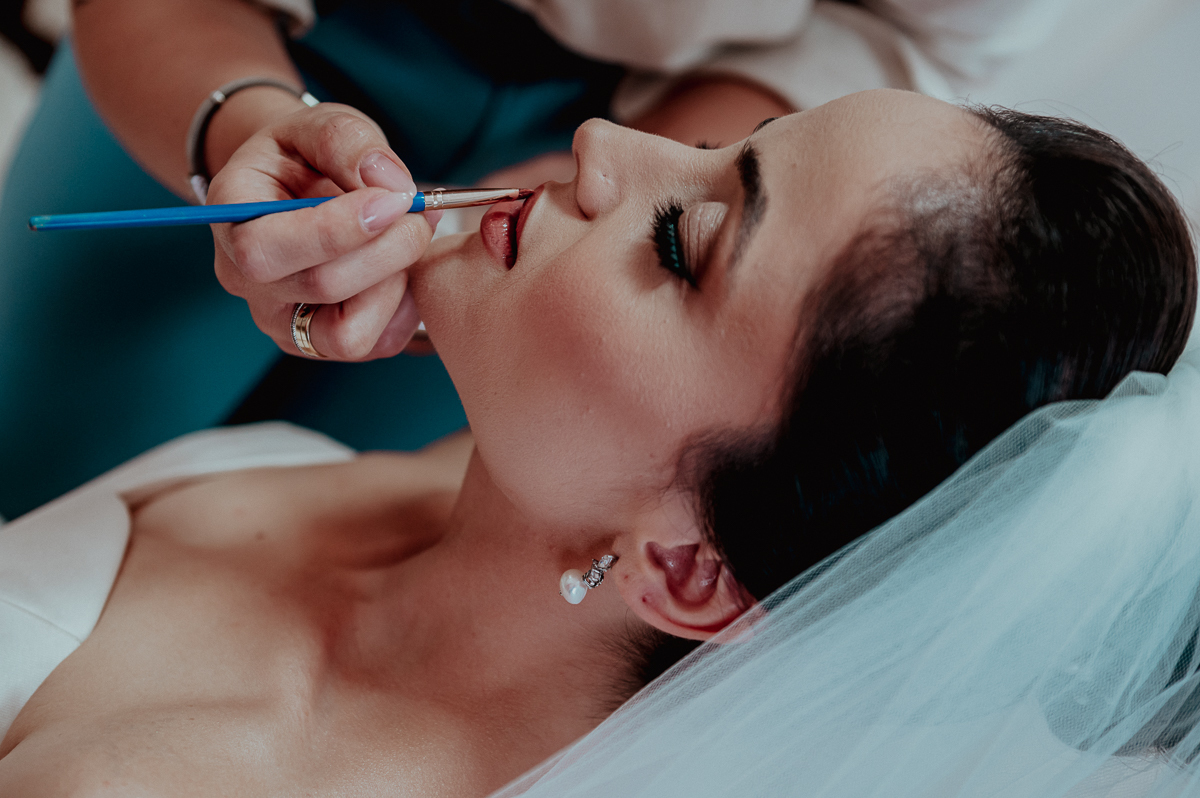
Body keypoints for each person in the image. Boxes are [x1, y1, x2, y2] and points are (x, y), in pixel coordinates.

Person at [0, 88, 1194, 796]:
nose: (603, 142)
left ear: (688, 570)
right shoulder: (464, 502)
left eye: (681, 243)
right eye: (741, 139)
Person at [0, 0, 1077, 519]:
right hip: (254, 30)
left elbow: (902, 36)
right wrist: (240, 124)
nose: (594, 163)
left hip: (653, 111)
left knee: (299, 513)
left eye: (684, 246)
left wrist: (703, 167)